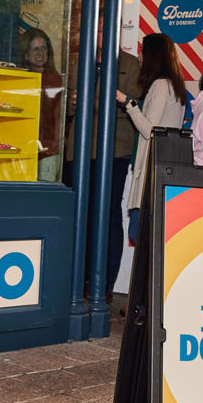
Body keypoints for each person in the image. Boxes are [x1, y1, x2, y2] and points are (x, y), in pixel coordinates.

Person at [64, 22, 141, 302]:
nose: (101, 35)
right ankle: (78, 279)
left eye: (105, 30)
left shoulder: (131, 65)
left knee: (108, 214)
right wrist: (76, 102)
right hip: (79, 148)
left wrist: (88, 100)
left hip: (114, 149)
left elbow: (131, 106)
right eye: (96, 30)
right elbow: (70, 105)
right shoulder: (79, 62)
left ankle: (105, 284)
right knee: (81, 212)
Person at [117, 33, 187, 241]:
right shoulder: (175, 86)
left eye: (143, 52)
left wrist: (128, 103)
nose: (139, 57)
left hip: (151, 168)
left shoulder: (160, 86)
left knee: (139, 234)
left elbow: (150, 130)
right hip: (165, 167)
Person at [20, 28, 65, 182]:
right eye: (35, 48)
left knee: (46, 193)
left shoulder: (55, 80)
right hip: (23, 147)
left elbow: (59, 116)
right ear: (25, 53)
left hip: (48, 149)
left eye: (43, 48)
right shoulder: (20, 78)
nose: (40, 53)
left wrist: (55, 145)